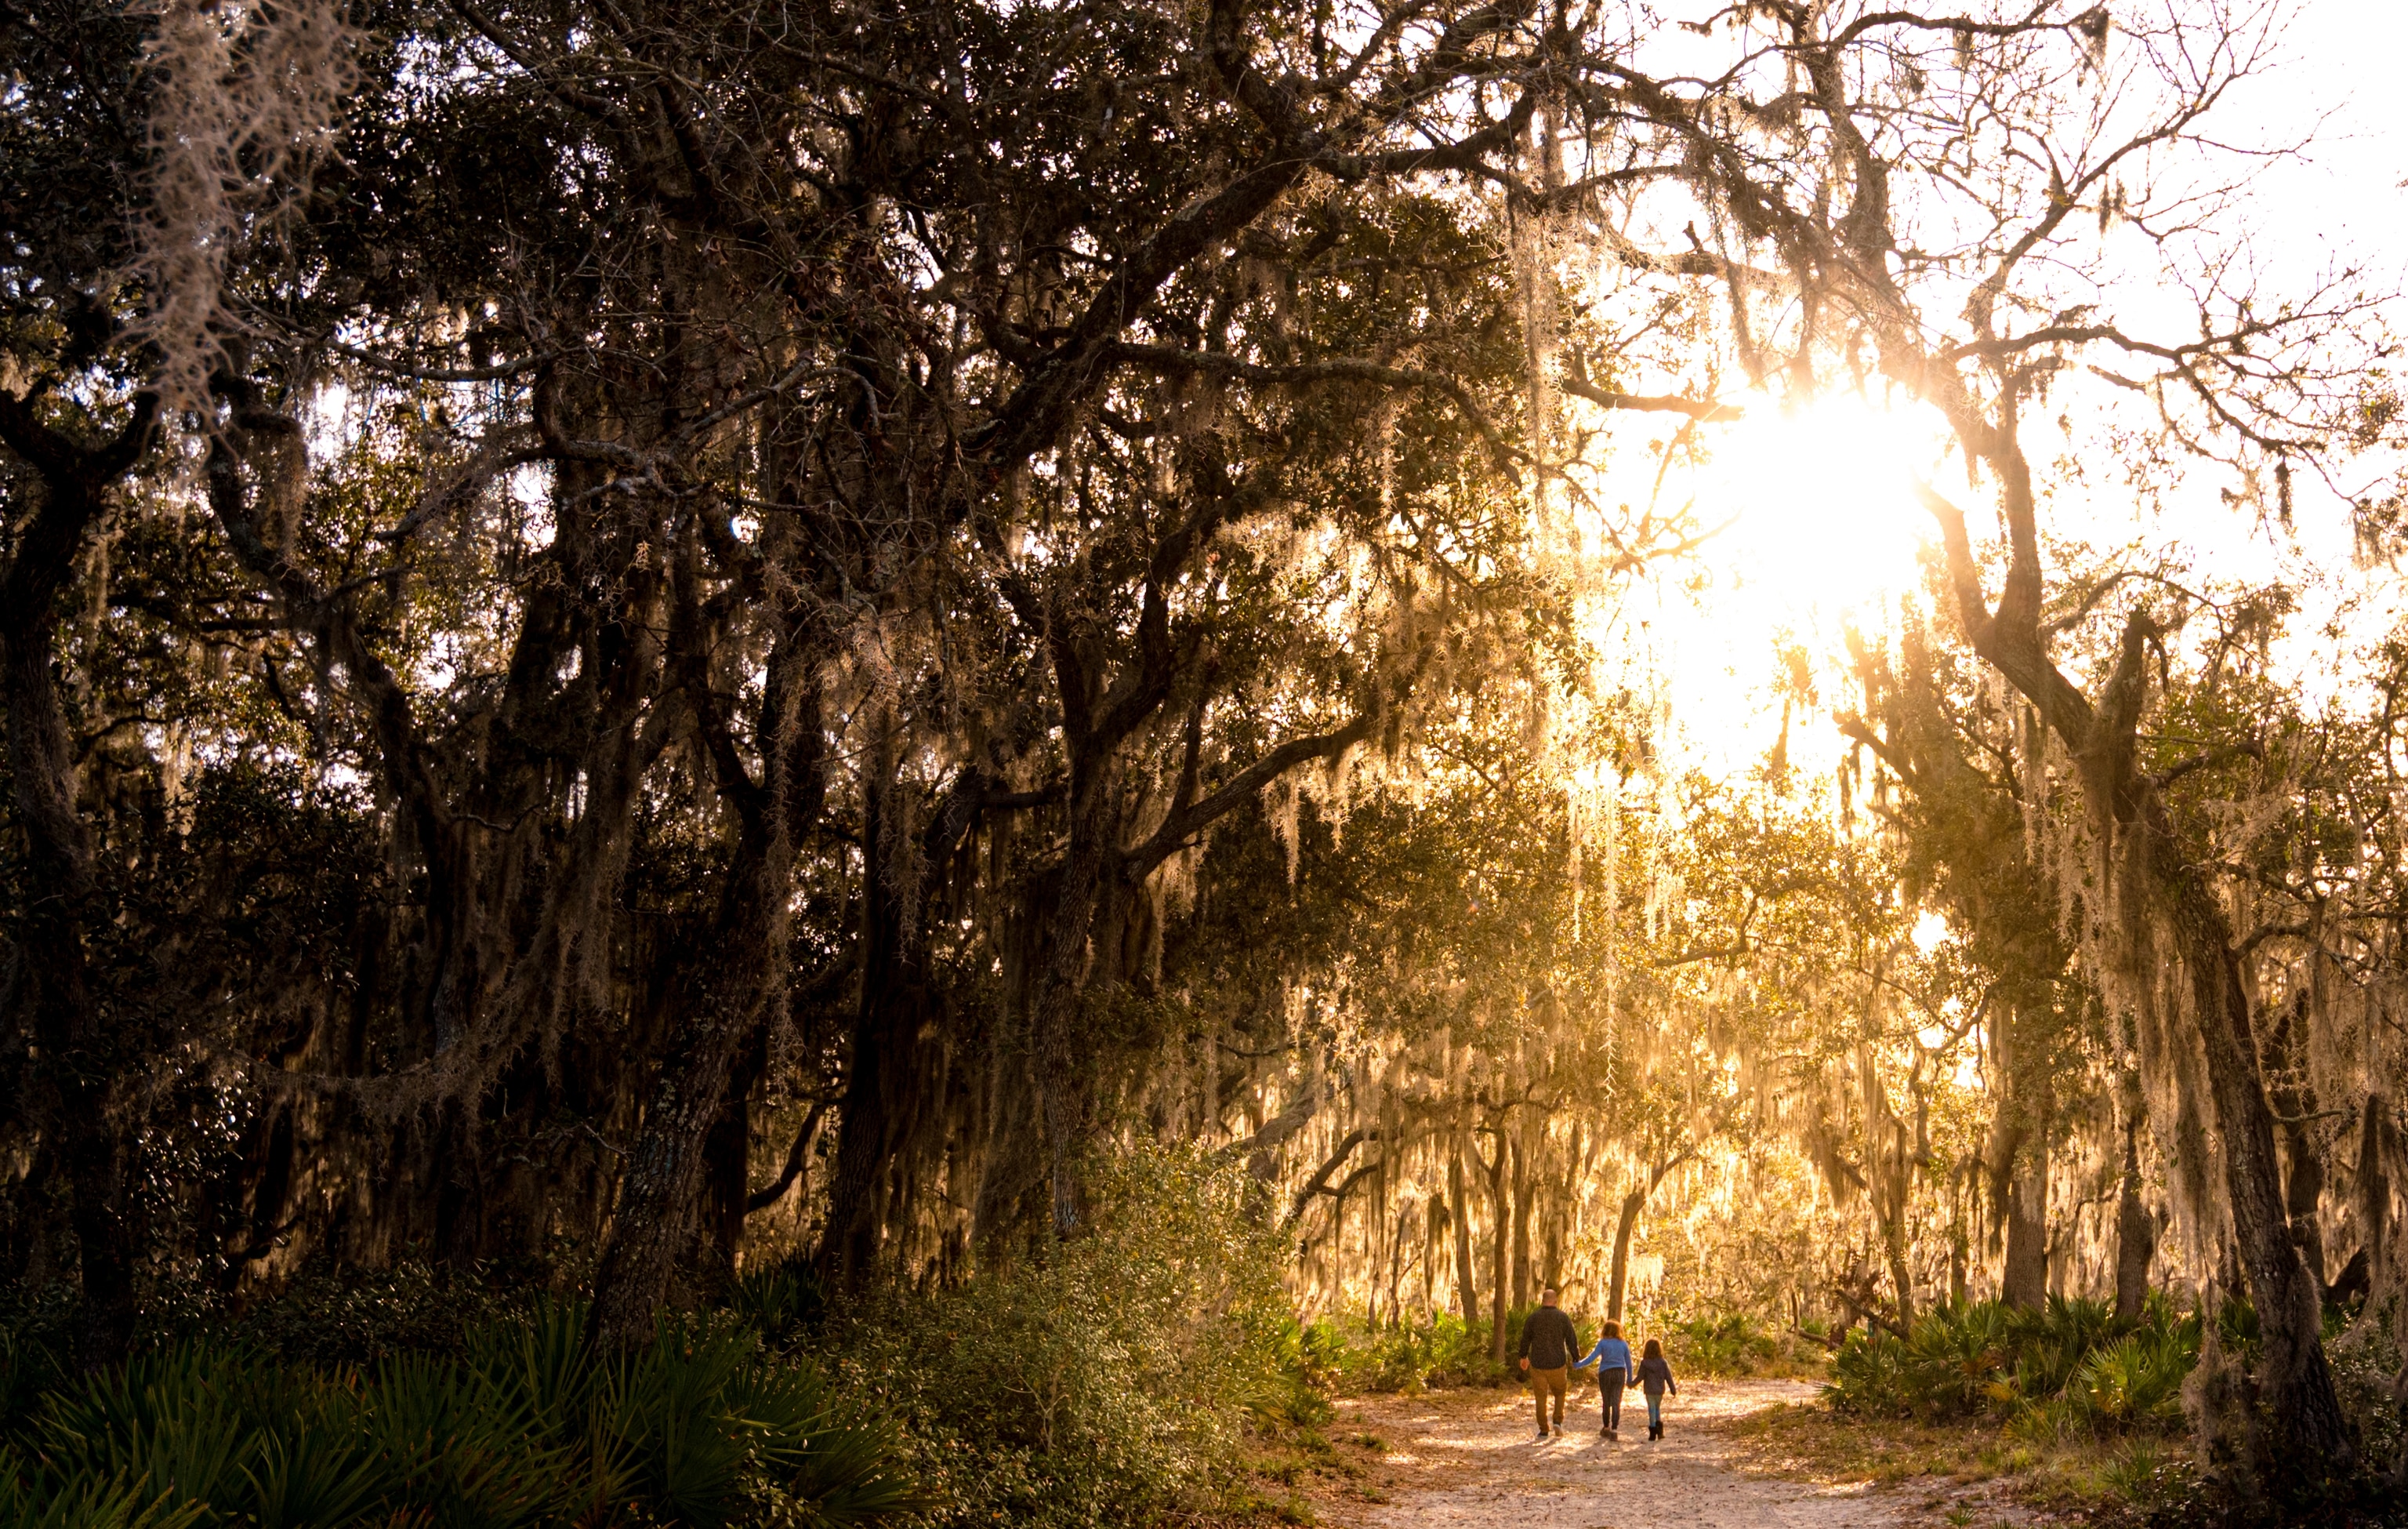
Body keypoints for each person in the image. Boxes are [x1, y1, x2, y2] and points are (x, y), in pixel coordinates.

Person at [1514, 1287, 1579, 1440]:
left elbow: (1525, 1339)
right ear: (1556, 1301)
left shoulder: (1533, 1318)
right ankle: (1557, 1420)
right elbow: (1572, 1339)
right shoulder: (1563, 1318)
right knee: (1560, 1393)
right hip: (1558, 1363)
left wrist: (1523, 1356)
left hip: (1538, 1364)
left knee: (1540, 1397)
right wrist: (1576, 1358)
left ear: (1542, 1301)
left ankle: (1543, 1428)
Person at [1575, 1318, 1632, 1439]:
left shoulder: (1602, 1343)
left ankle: (1606, 1427)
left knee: (1606, 1402)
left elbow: (1592, 1357)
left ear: (1605, 1330)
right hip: (1619, 1373)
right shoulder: (1623, 1344)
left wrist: (1579, 1364)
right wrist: (1630, 1378)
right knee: (1616, 1402)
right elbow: (1629, 1362)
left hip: (1605, 1373)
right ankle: (1615, 1430)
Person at [1636, 1337, 1677, 1441]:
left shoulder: (1644, 1363)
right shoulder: (1663, 1363)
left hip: (1649, 1390)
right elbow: (1668, 1377)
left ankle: (1652, 1432)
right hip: (1659, 1390)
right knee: (1657, 1409)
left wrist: (1631, 1384)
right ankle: (1660, 1432)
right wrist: (1673, 1389)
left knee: (1651, 1410)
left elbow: (1640, 1377)